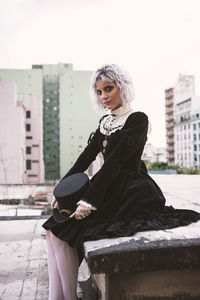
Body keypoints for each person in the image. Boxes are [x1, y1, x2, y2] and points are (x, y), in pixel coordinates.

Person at [43, 64, 200, 300]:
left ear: (122, 87)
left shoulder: (137, 119)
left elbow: (115, 163)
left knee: (63, 231)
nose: (104, 96)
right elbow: (85, 158)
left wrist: (89, 200)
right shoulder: (105, 122)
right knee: (51, 231)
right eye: (99, 92)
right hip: (107, 185)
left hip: (131, 190)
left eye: (108, 88)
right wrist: (61, 189)